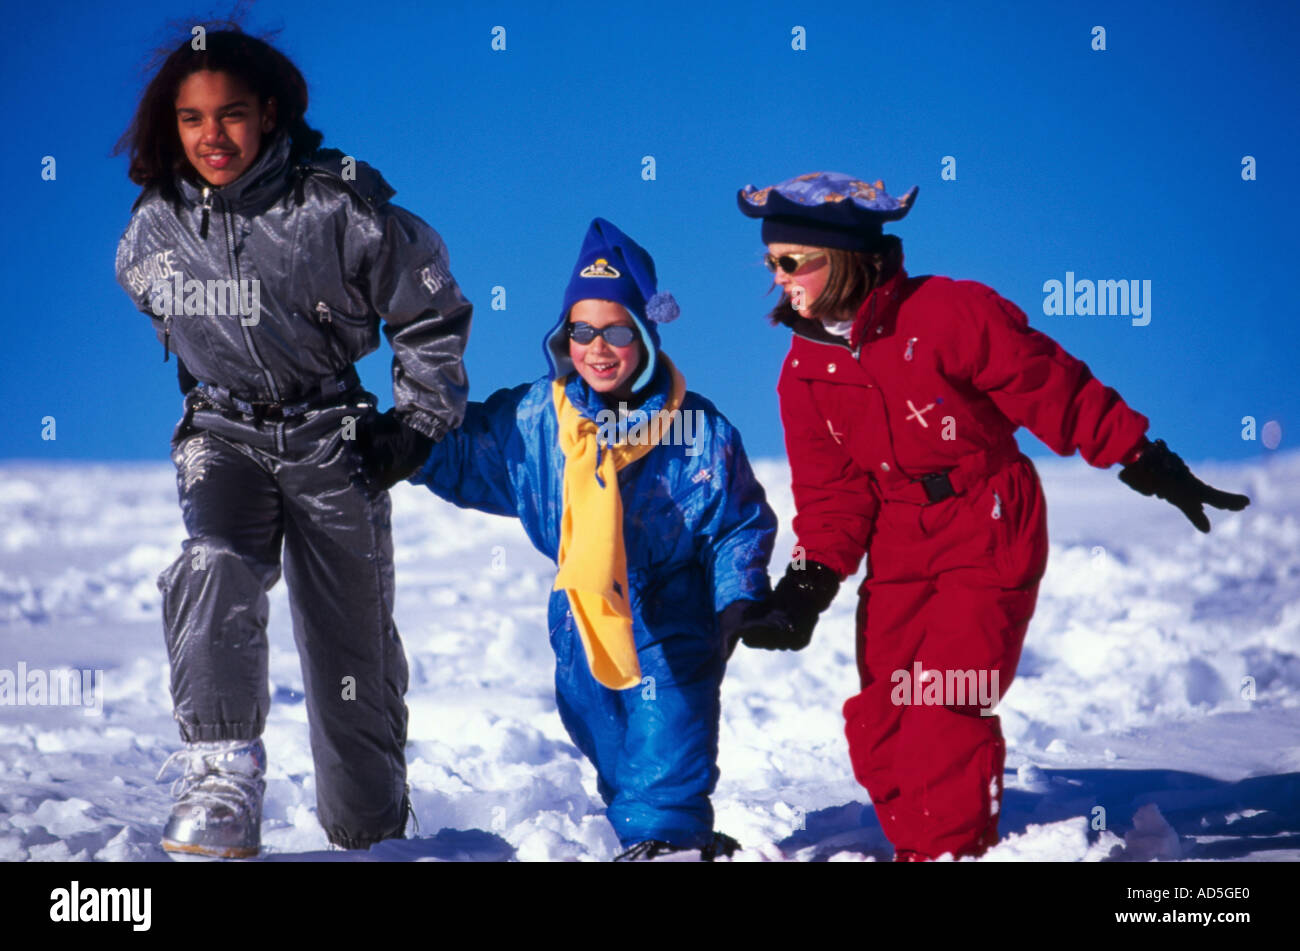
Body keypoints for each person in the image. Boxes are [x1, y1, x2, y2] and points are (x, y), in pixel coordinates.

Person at [732, 171, 1250, 861]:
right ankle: (926, 840)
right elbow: (833, 497)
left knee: (946, 698)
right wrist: (805, 587)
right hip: (899, 542)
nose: (779, 277)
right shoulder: (804, 369)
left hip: (986, 518)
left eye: (792, 261)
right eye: (772, 262)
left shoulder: (948, 313)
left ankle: (946, 851)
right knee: (885, 718)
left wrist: (1141, 456)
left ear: (845, 256)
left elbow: (1052, 386)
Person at [114, 27, 472, 857]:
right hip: (223, 432)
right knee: (214, 563)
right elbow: (144, 286)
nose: (212, 136)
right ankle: (221, 774)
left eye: (232, 115)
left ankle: (371, 835)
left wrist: (416, 423)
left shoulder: (334, 206)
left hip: (332, 437)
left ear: (268, 113)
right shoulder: (155, 226)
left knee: (351, 649)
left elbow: (429, 305)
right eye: (192, 118)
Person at [410, 218, 776, 860]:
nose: (597, 348)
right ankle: (655, 831)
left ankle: (669, 835)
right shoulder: (535, 419)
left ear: (645, 335)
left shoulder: (694, 428)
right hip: (580, 606)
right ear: (563, 336)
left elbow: (737, 523)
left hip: (674, 605)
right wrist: (402, 445)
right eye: (582, 331)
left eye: (616, 331)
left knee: (670, 725)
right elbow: (469, 459)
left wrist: (738, 596)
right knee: (603, 729)